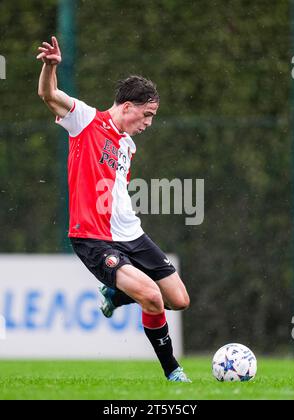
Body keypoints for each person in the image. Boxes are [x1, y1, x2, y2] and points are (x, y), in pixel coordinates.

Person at [37, 36, 191, 382]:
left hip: (131, 234)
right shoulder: (86, 120)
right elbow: (49, 95)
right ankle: (174, 373)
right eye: (147, 114)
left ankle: (116, 295)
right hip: (93, 238)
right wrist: (50, 66)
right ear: (126, 105)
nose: (149, 122)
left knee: (179, 300)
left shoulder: (128, 145)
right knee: (152, 296)